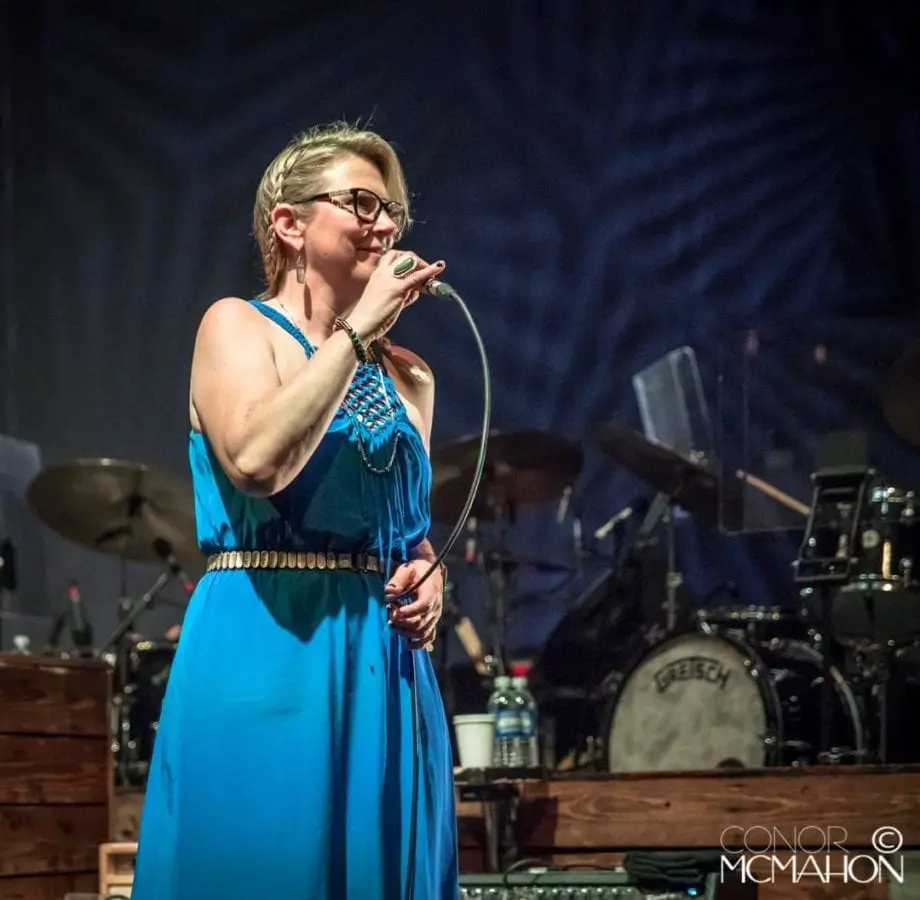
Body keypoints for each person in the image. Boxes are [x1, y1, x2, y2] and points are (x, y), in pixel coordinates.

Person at [131, 122, 459, 899]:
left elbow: (408, 531)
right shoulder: (236, 327)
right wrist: (355, 333)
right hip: (268, 643)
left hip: (385, 666)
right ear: (289, 223)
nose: (385, 224)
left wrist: (429, 574)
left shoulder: (412, 376)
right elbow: (256, 461)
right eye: (362, 203)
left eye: (393, 211)